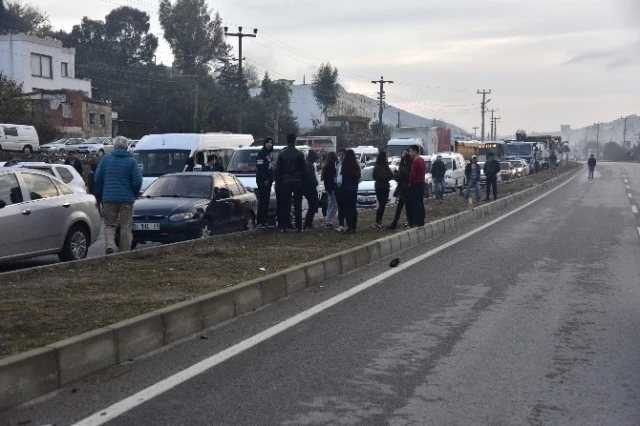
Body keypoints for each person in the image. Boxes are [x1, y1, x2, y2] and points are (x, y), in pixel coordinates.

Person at [94, 136, 142, 254]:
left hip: (109, 198)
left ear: (114, 146)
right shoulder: (131, 161)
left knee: (110, 224)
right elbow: (137, 181)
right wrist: (134, 193)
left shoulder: (105, 160)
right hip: (126, 199)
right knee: (126, 225)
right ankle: (124, 251)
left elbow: (97, 179)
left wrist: (101, 194)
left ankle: (109, 246)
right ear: (126, 147)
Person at [275, 133, 305, 232]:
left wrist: (278, 182)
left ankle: (285, 226)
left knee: (285, 205)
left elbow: (278, 170)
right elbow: (303, 169)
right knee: (297, 205)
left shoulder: (282, 154)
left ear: (287, 141)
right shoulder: (300, 154)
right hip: (298, 181)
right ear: (295, 140)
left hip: (286, 182)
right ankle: (299, 226)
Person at [388, 151, 413, 230]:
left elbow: (405, 175)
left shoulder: (408, 165)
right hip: (404, 188)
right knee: (402, 207)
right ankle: (396, 223)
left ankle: (407, 222)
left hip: (406, 188)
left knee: (406, 207)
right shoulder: (403, 164)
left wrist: (398, 173)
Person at [340, 149, 361, 234]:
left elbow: (341, 178)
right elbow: (359, 177)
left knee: (347, 208)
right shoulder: (356, 165)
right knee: (353, 208)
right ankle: (354, 226)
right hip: (354, 189)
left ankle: (349, 226)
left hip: (346, 189)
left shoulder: (344, 165)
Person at [255, 137, 274, 229]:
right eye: (268, 142)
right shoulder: (261, 153)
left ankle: (265, 221)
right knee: (263, 201)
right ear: (265, 143)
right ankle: (260, 222)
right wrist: (265, 179)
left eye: (271, 142)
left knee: (266, 201)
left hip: (269, 180)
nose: (269, 144)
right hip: (262, 180)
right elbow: (260, 168)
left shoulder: (269, 153)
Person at [372, 150, 394, 229]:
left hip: (385, 186)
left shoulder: (385, 166)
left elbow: (391, 175)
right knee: (381, 204)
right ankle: (378, 221)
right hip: (380, 187)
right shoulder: (377, 166)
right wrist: (386, 177)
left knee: (383, 204)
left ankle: (379, 221)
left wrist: (386, 176)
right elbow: (378, 176)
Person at [408, 145, 426, 227]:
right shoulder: (422, 160)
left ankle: (417, 221)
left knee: (416, 204)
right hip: (422, 183)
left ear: (415, 151)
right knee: (420, 203)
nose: (409, 153)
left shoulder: (415, 161)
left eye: (410, 151)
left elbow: (412, 175)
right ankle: (421, 220)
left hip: (415, 184)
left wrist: (410, 182)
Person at [321, 151, 339, 229]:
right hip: (332, 188)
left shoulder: (326, 166)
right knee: (334, 205)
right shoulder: (331, 167)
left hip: (328, 188)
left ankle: (328, 220)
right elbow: (332, 179)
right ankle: (329, 221)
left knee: (330, 204)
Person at [303, 149, 319, 230]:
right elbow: (311, 177)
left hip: (306, 187)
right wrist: (315, 182)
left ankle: (308, 223)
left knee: (312, 205)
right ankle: (308, 224)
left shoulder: (306, 164)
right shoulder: (309, 165)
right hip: (310, 188)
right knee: (313, 205)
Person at [335, 149, 347, 232]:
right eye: (339, 155)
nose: (340, 157)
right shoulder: (338, 164)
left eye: (342, 155)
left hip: (345, 187)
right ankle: (341, 224)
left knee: (346, 207)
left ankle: (346, 224)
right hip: (339, 188)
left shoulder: (348, 164)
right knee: (340, 207)